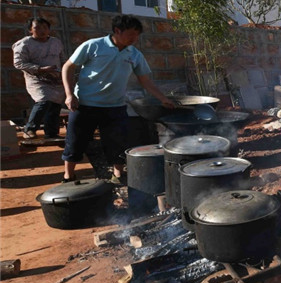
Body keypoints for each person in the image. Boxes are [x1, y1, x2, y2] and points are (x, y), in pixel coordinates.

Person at [61, 14, 175, 184]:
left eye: (137, 35)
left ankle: (118, 176)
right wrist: (70, 95)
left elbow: (146, 81)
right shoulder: (93, 46)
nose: (134, 38)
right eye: (130, 34)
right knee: (76, 142)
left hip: (115, 106)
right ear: (117, 31)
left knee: (117, 144)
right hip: (84, 104)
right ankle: (68, 177)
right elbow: (68, 67)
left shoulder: (134, 54)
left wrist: (163, 99)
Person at [12, 18, 66, 139]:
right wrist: (40, 68)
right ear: (30, 30)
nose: (42, 31)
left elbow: (62, 59)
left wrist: (64, 71)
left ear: (49, 29)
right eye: (37, 28)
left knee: (55, 105)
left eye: (45, 28)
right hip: (37, 79)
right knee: (43, 100)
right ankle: (29, 129)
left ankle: (51, 133)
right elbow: (19, 63)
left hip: (55, 79)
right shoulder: (24, 44)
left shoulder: (56, 42)